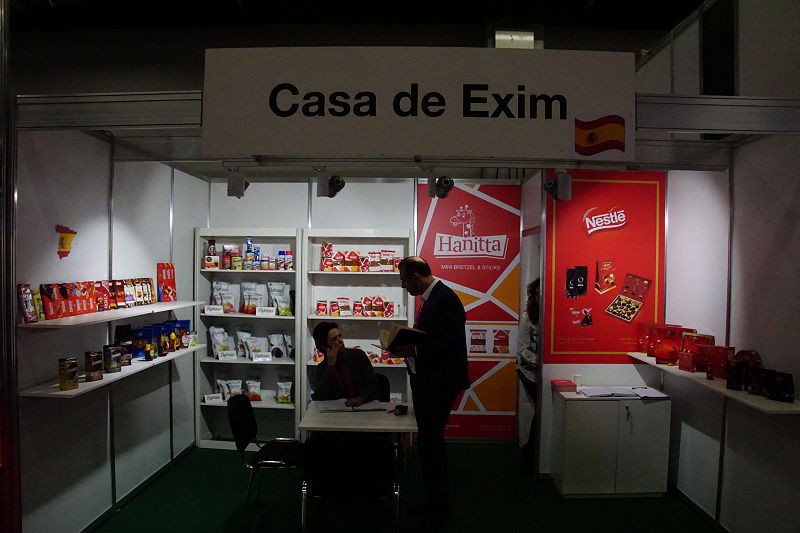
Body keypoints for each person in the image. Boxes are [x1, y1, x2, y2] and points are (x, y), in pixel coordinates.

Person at [395, 256, 470, 530]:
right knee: (428, 445)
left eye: (404, 280)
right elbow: (434, 338)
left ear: (416, 276)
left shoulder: (444, 299)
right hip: (430, 381)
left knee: (432, 445)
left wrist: (413, 349)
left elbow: (450, 346)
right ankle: (432, 501)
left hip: (439, 383)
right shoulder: (434, 298)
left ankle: (438, 507)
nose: (403, 286)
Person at [310, 321, 379, 406]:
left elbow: (374, 386)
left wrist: (361, 399)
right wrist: (330, 365)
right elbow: (319, 396)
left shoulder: (357, 355)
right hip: (337, 410)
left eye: (339, 336)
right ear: (324, 347)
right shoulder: (322, 367)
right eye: (334, 339)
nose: (340, 340)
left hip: (363, 407)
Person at [517, 279, 540, 465]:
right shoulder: (528, 317)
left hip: (546, 371)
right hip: (529, 372)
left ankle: (533, 453)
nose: (541, 298)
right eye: (538, 294)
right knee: (541, 410)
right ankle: (530, 454)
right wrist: (541, 362)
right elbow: (522, 349)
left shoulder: (555, 315)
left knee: (542, 411)